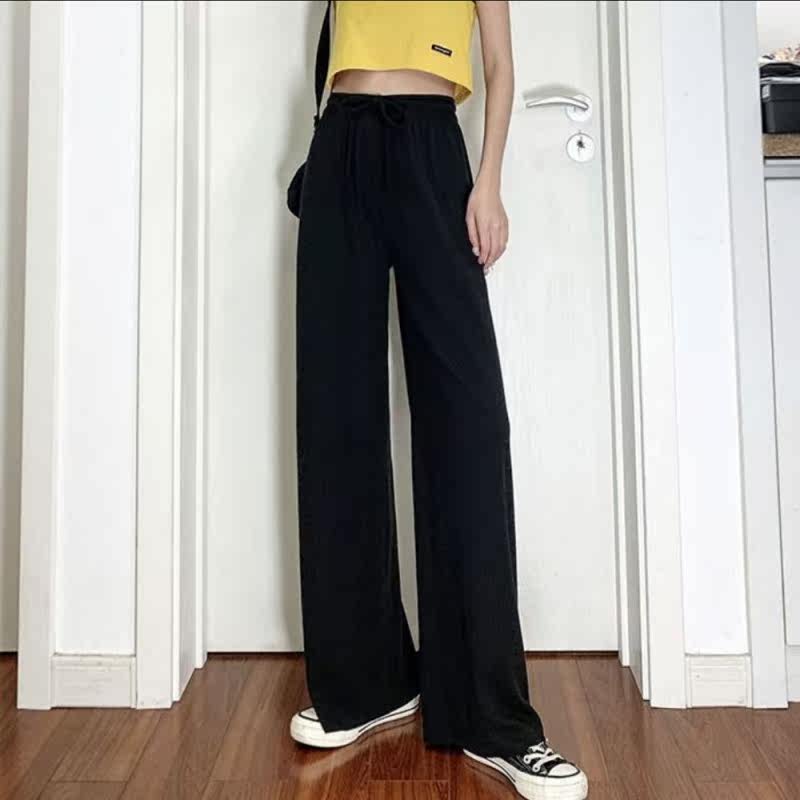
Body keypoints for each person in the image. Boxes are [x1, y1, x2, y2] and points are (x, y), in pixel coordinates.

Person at [288, 2, 589, 799]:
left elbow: (500, 66)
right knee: (337, 421)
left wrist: (488, 181)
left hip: (431, 146)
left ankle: (495, 719)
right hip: (341, 143)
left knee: (468, 427)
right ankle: (368, 682)